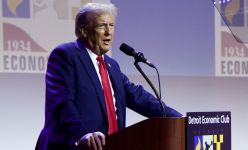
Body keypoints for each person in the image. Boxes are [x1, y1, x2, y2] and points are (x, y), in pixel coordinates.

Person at [35, 2, 182, 150]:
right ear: (84, 31)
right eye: (101, 26)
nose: (108, 32)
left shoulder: (112, 65)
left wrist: (181, 120)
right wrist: (83, 135)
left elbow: (138, 97)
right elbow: (62, 103)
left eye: (111, 26)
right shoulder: (66, 55)